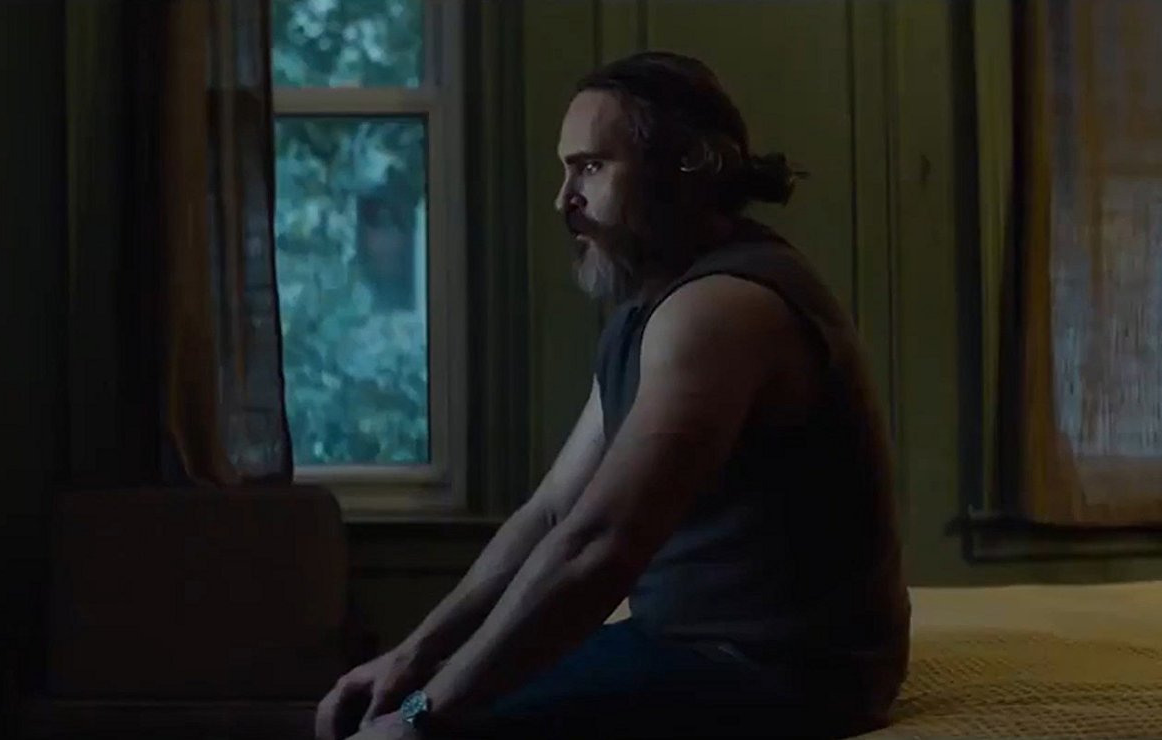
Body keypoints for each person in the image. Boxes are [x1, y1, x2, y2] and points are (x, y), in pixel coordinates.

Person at [315, 51, 911, 740]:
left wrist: (425, 717)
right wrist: (411, 659)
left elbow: (600, 546)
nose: (563, 200)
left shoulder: (720, 311)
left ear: (687, 167)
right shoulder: (649, 307)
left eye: (591, 167)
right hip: (681, 644)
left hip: (777, 674)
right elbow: (552, 513)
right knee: (389, 706)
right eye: (565, 170)